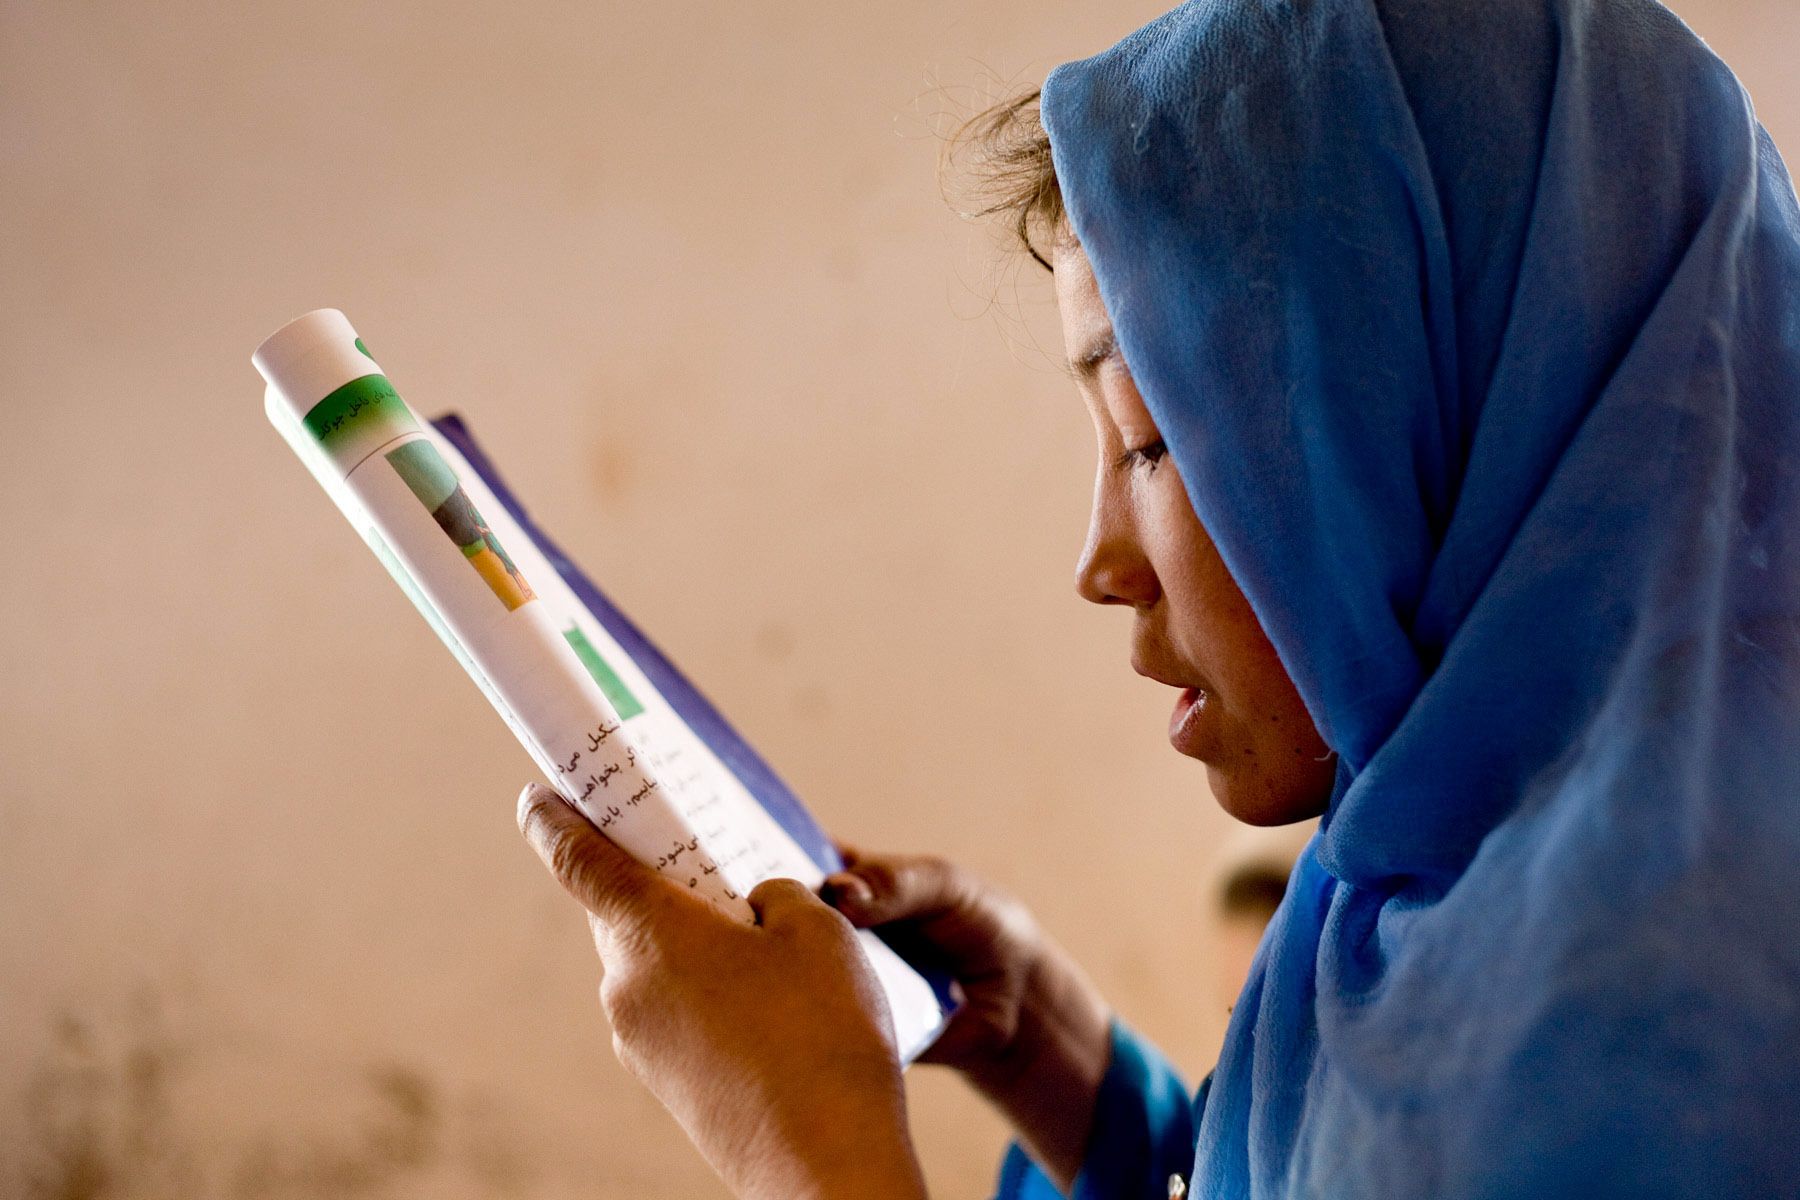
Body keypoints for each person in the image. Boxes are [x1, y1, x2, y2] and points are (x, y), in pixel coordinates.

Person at [514, 0, 1800, 1194]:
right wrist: (1065, 1067)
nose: (1099, 564)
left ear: (1440, 422)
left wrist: (804, 1140)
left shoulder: (1648, 1019)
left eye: (1150, 438)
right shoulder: (1451, 873)